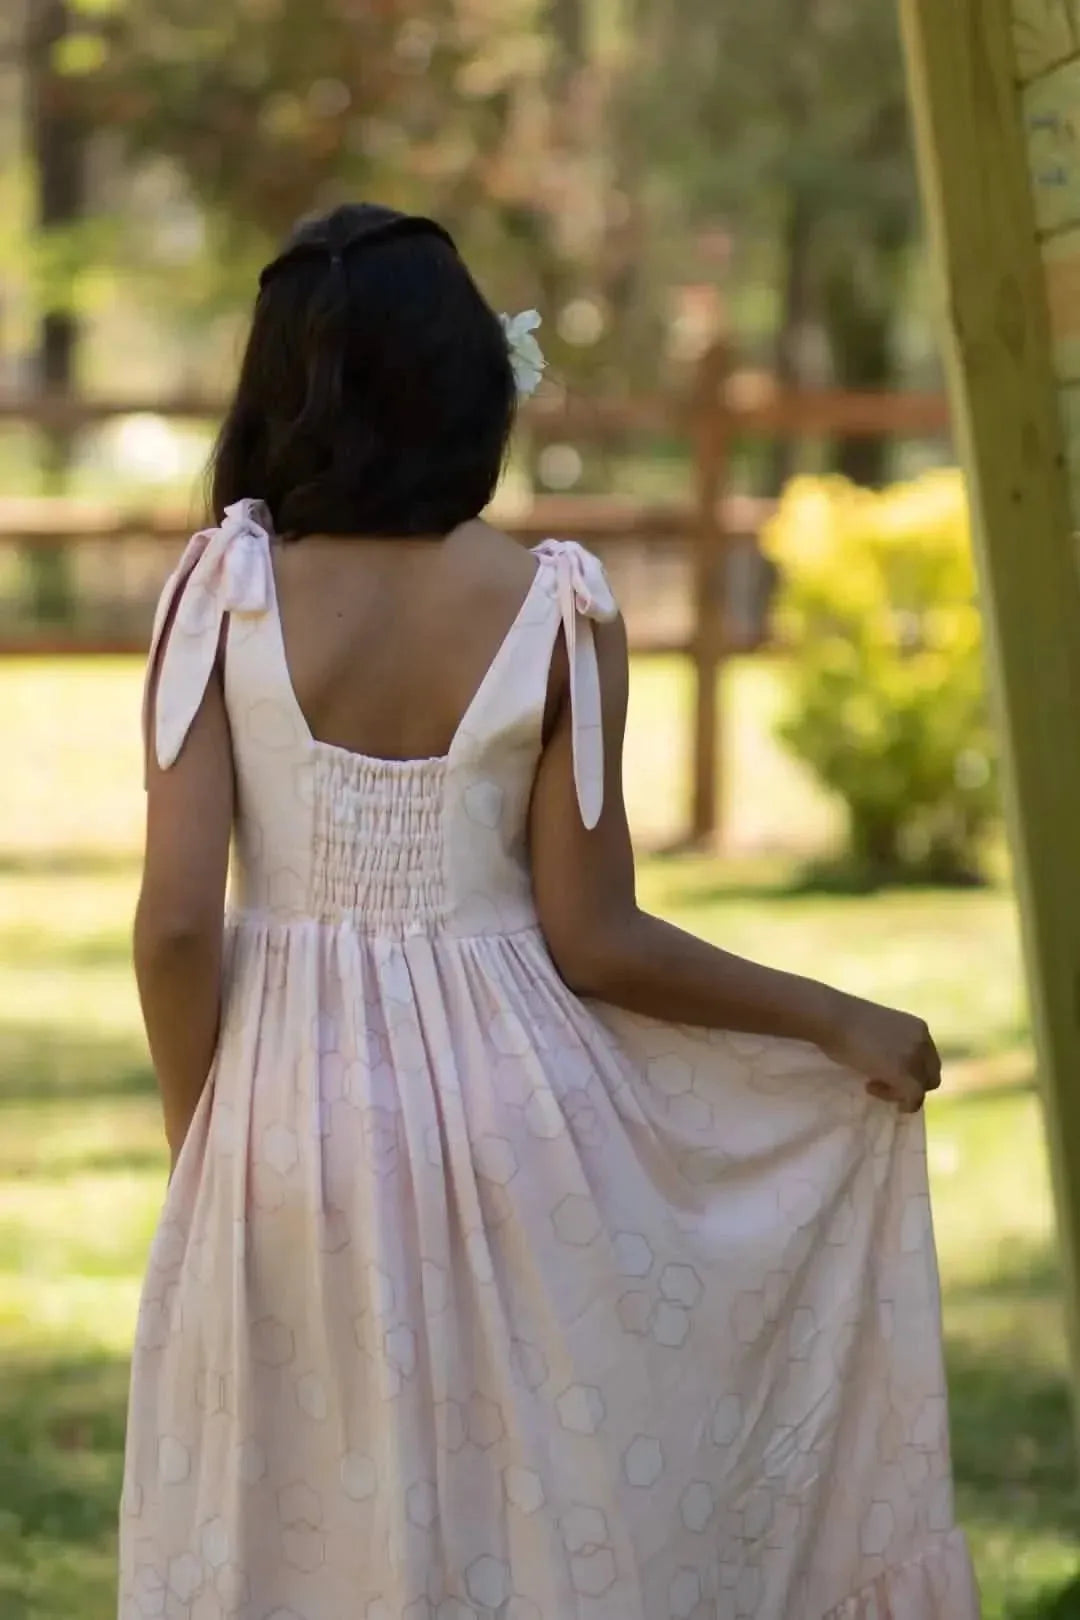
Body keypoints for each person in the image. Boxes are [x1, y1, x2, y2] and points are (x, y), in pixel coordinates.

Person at [120, 202, 980, 1620]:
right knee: (517, 1503)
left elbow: (170, 925)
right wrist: (836, 1018)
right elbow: (598, 937)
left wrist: (199, 1132)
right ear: (473, 387)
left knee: (297, 1508)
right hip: (523, 1124)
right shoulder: (556, 609)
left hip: (281, 1116)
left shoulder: (227, 594)